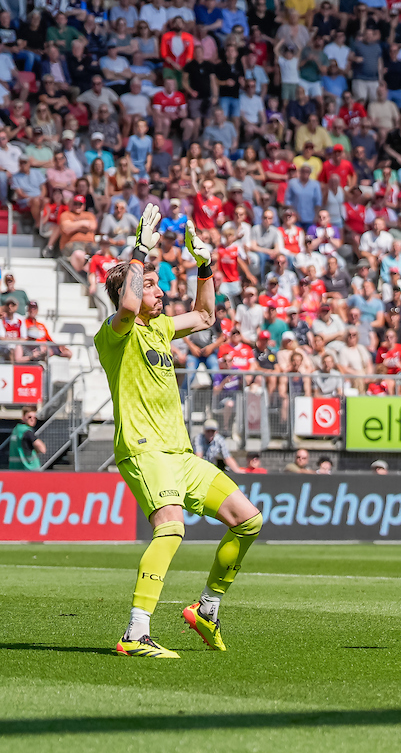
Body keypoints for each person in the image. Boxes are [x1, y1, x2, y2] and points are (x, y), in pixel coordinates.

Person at [96, 207, 261, 658]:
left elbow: (206, 318)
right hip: (145, 451)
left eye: (156, 282)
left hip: (181, 455)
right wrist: (140, 250)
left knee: (248, 520)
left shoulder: (162, 328)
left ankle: (206, 608)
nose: (159, 289)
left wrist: (204, 265)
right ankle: (135, 632)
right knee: (171, 528)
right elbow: (128, 304)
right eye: (150, 283)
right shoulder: (116, 333)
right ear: (128, 289)